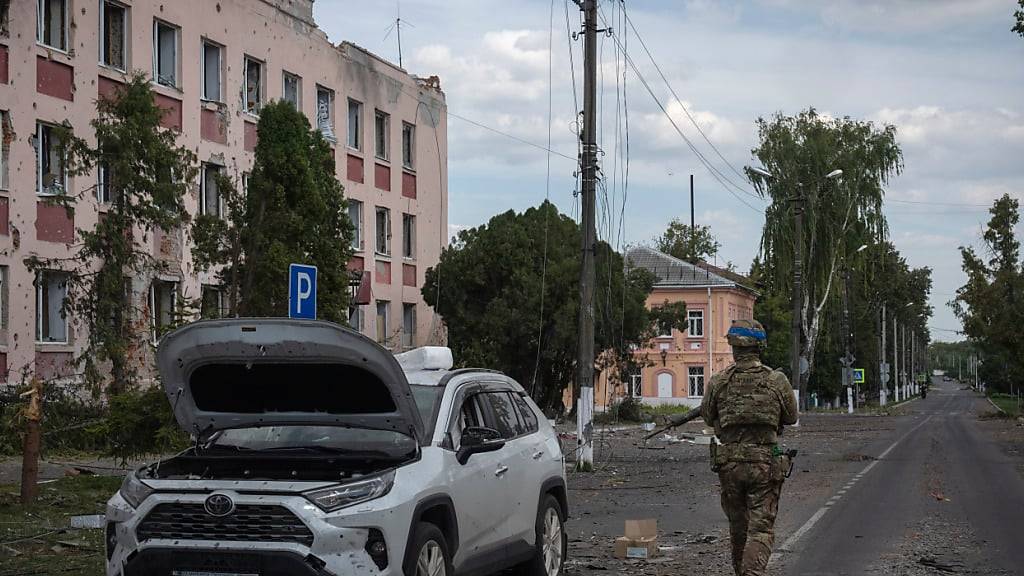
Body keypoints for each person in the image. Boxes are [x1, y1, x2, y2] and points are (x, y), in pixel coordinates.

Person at [700, 319, 799, 576]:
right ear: (760, 347)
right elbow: (791, 416)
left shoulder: (718, 381)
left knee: (738, 527)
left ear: (733, 348)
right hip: (765, 463)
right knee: (761, 528)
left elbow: (708, 416)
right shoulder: (776, 380)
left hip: (729, 464)